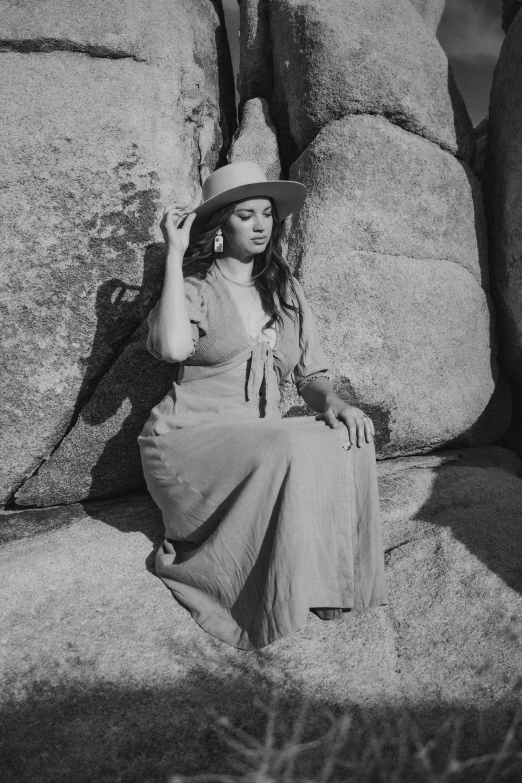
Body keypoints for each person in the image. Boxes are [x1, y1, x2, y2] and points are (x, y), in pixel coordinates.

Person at [137, 161, 388, 650]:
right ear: (220, 225)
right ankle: (270, 596)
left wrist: (334, 402)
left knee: (350, 438)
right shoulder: (194, 288)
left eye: (267, 215)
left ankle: (335, 587)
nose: (259, 225)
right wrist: (174, 255)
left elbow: (311, 377)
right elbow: (171, 349)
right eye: (245, 215)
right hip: (190, 439)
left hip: (260, 436)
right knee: (286, 445)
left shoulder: (286, 291)